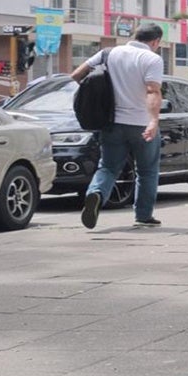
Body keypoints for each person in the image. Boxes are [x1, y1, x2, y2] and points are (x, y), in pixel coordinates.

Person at [72, 23, 165, 229]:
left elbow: (77, 75)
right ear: (155, 41)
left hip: (112, 123)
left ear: (134, 36)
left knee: (108, 167)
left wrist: (101, 92)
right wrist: (154, 121)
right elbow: (152, 91)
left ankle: (95, 194)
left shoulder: (108, 53)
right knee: (147, 171)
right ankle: (143, 216)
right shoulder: (152, 59)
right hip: (141, 125)